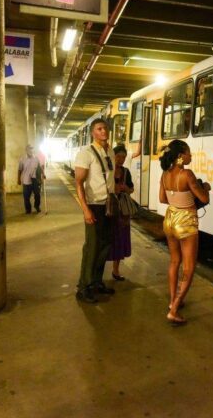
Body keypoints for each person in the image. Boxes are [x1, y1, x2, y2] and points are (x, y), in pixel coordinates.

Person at [159, 140, 210, 325]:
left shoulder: (165, 174)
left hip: (170, 218)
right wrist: (205, 188)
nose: (191, 156)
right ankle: (174, 310)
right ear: (180, 156)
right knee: (188, 267)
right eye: (188, 153)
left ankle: (173, 301)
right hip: (186, 221)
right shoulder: (187, 174)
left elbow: (162, 198)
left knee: (174, 261)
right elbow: (203, 198)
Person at [73, 118, 117, 304]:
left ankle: (97, 282)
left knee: (105, 245)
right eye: (99, 129)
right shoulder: (86, 153)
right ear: (93, 132)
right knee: (92, 246)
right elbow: (78, 183)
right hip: (94, 205)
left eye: (105, 128)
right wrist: (85, 210)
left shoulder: (110, 151)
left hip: (109, 204)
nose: (103, 131)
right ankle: (84, 287)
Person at [109, 145, 134, 281]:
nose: (121, 159)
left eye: (123, 157)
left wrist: (126, 188)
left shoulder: (126, 172)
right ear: (113, 156)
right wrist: (113, 188)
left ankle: (116, 270)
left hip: (122, 212)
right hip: (109, 208)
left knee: (120, 239)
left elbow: (131, 189)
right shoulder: (108, 170)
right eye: (118, 156)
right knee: (108, 238)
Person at [18, 144, 44, 214]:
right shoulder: (22, 159)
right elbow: (19, 170)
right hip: (26, 180)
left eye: (32, 149)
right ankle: (28, 209)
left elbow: (40, 167)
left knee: (37, 194)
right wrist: (18, 179)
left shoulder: (36, 158)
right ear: (26, 150)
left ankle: (37, 206)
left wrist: (43, 174)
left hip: (35, 179)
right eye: (29, 149)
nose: (30, 150)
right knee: (26, 196)